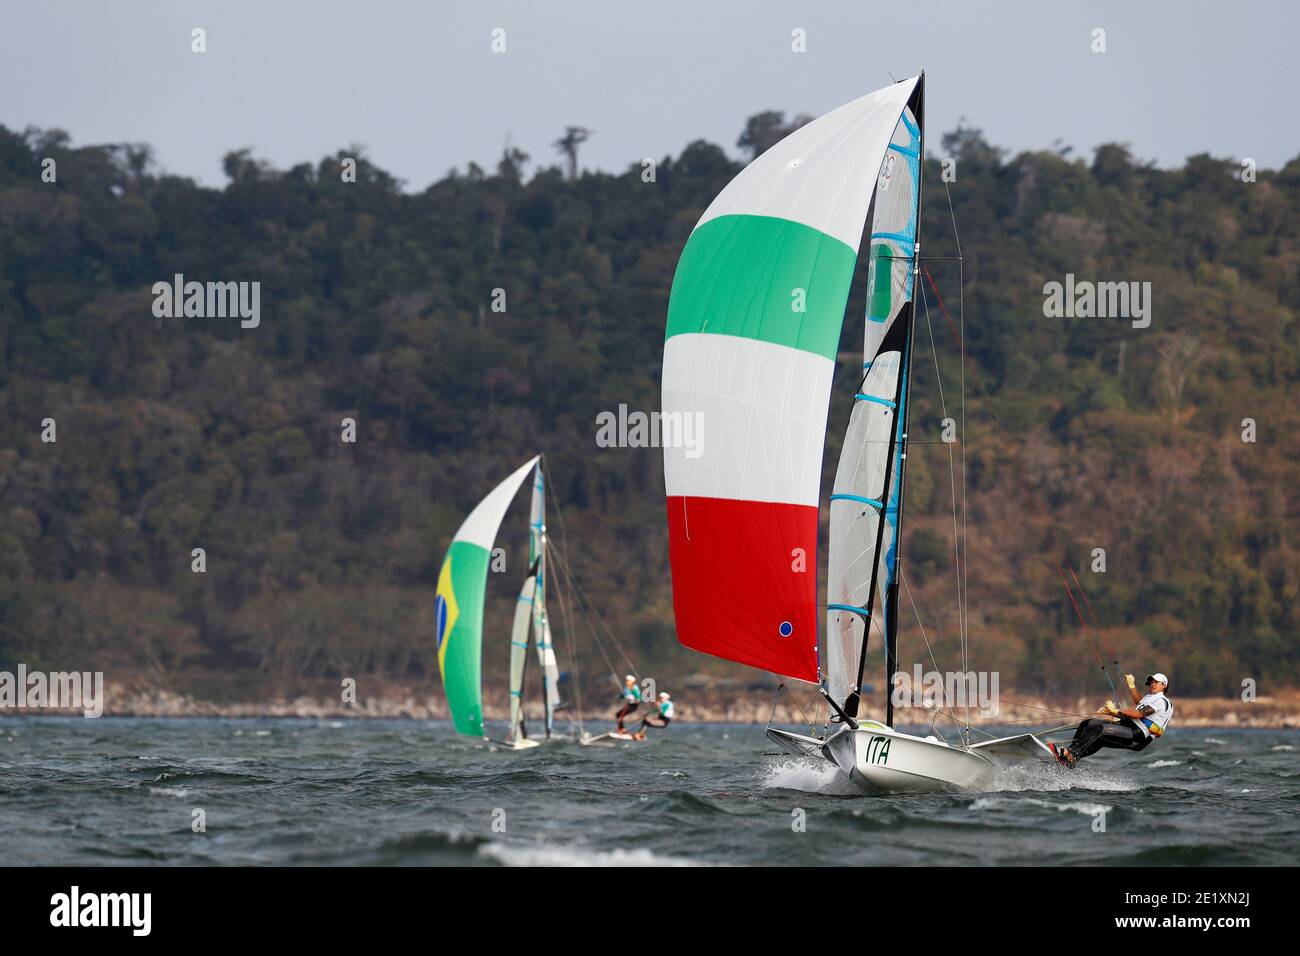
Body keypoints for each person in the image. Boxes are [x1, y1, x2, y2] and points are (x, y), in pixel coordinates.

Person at [1052, 673, 1173, 768]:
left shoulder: (1161, 701)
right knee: (1088, 723)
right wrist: (1112, 711)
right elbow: (1138, 703)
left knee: (1101, 730)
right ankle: (1070, 756)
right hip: (1129, 726)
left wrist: (1116, 711)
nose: (1152, 683)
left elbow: (1137, 714)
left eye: (1156, 682)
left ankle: (1070, 753)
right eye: (1151, 681)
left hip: (1138, 734)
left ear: (1164, 685)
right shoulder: (1150, 698)